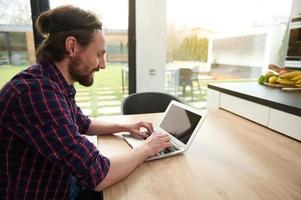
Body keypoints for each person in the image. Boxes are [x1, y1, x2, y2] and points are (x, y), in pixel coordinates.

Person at [0, 5, 171, 200]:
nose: (103, 65)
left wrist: (125, 126)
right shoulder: (35, 92)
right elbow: (98, 175)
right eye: (99, 54)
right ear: (72, 46)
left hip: (64, 183)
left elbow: (83, 123)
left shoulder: (51, 82)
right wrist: (148, 147)